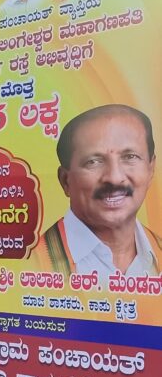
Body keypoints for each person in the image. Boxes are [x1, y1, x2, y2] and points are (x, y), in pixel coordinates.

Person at [31, 105, 160, 282]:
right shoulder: (32, 264)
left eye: (130, 157)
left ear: (151, 169)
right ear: (65, 180)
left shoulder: (158, 252)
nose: (114, 178)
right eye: (93, 161)